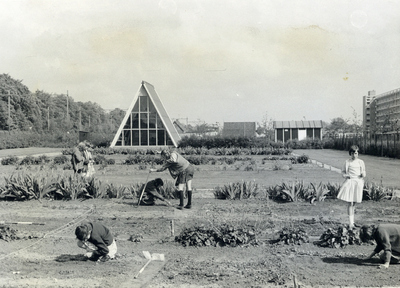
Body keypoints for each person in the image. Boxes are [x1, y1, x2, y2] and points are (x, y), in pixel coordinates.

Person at [336, 145, 366, 229]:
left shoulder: (361, 162)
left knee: (354, 203)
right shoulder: (347, 162)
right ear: (350, 153)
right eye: (353, 153)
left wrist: (363, 174)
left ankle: (353, 221)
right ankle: (350, 223)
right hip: (350, 182)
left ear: (358, 153)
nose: (354, 155)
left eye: (356, 153)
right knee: (350, 203)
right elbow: (343, 172)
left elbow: (363, 171)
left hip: (358, 182)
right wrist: (346, 175)